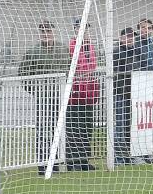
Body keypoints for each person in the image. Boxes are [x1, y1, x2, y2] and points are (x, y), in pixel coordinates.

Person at [18, 20, 70, 175]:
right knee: (43, 131)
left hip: (59, 98)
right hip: (43, 99)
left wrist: (66, 90)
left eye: (48, 31)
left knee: (58, 130)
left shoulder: (63, 49)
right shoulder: (33, 52)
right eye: (43, 32)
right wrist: (36, 91)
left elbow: (69, 70)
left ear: (53, 32)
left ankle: (56, 163)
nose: (46, 34)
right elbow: (23, 74)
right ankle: (43, 165)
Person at [66, 17, 99, 171]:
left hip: (88, 94)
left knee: (86, 127)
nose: (83, 31)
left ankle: (84, 159)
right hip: (75, 95)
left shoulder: (90, 47)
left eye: (85, 28)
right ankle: (73, 161)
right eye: (80, 28)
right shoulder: (72, 46)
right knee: (74, 128)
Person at [112, 27, 143, 165]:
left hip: (133, 93)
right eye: (128, 36)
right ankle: (119, 157)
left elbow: (139, 67)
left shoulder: (136, 51)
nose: (131, 39)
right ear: (121, 38)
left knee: (129, 126)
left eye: (132, 37)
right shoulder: (117, 51)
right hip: (120, 93)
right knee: (120, 125)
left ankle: (128, 155)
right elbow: (121, 71)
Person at [133, 18, 153, 164]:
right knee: (138, 121)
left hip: (151, 84)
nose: (147, 31)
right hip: (139, 84)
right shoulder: (136, 43)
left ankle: (148, 152)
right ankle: (137, 153)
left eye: (149, 28)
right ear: (139, 29)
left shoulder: (152, 44)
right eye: (144, 28)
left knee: (149, 121)